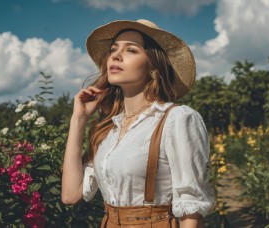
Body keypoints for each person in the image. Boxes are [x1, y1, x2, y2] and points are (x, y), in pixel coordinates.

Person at [61, 19, 214, 227]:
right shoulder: (109, 130)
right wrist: (78, 120)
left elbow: (191, 209)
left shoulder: (176, 119)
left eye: (131, 50)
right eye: (113, 49)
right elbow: (70, 195)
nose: (115, 55)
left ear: (153, 65)